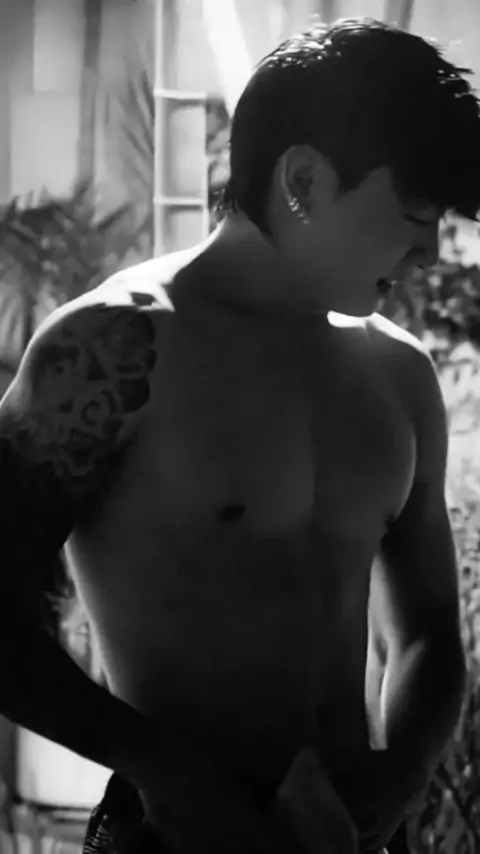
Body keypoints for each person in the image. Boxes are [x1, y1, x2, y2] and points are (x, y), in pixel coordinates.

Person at [0, 16, 477, 854]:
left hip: (355, 835)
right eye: (413, 215)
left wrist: (404, 772)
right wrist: (154, 764)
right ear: (303, 180)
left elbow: (429, 630)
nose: (430, 253)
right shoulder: (113, 350)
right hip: (172, 839)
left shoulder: (399, 375)